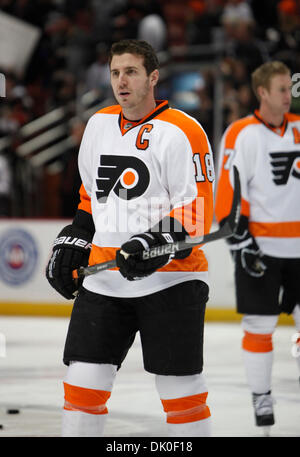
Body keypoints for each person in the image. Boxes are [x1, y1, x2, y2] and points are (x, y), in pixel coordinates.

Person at [46, 39, 215, 437]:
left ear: (153, 77)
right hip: (105, 280)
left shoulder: (184, 131)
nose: (122, 81)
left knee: (181, 392)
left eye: (132, 72)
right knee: (82, 385)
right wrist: (76, 236)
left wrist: (154, 242)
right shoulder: (98, 125)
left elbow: (197, 211)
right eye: (115, 72)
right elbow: (91, 197)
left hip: (173, 278)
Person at [215, 61, 300, 435]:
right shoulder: (240, 134)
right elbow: (228, 194)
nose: (289, 95)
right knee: (259, 327)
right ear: (262, 92)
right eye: (282, 89)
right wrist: (240, 241)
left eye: (290, 89)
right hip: (261, 249)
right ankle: (261, 400)